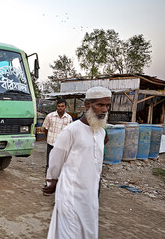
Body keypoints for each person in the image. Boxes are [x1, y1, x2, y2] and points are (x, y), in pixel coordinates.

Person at [42, 86, 112, 239]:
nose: (105, 109)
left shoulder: (101, 132)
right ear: (88, 105)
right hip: (71, 192)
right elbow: (56, 158)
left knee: (88, 231)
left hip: (91, 193)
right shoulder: (71, 130)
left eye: (107, 105)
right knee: (70, 232)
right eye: (100, 105)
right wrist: (52, 180)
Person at [42, 99, 72, 182]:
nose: (60, 108)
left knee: (61, 165)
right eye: (58, 106)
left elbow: (69, 133)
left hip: (62, 146)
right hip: (51, 144)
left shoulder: (68, 118)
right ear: (56, 106)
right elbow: (45, 128)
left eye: (62, 106)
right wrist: (49, 137)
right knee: (49, 164)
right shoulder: (50, 116)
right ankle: (47, 184)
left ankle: (58, 185)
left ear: (65, 107)